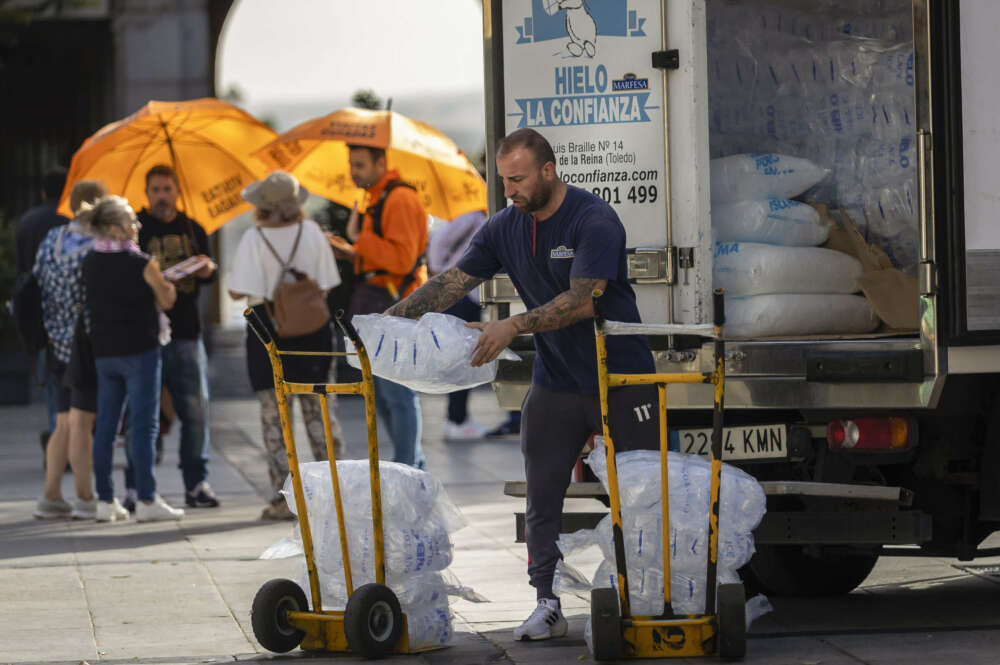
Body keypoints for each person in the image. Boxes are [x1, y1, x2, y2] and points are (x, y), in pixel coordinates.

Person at [385, 128, 659, 641]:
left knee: (642, 497)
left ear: (548, 171)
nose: (508, 190)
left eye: (517, 179)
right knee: (542, 497)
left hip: (620, 378)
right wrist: (383, 324)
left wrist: (511, 324)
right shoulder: (502, 227)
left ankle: (646, 595)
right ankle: (547, 602)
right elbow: (449, 285)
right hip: (556, 382)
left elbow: (582, 301)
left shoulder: (592, 219)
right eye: (503, 180)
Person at [228, 171, 345, 521]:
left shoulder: (254, 237)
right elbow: (326, 285)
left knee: (274, 419)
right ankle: (332, 493)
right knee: (321, 414)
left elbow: (237, 291)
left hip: (265, 330)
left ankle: (283, 498)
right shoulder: (311, 233)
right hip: (312, 331)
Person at [82, 195, 184, 522]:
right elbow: (166, 300)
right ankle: (147, 499)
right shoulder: (142, 263)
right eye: (130, 221)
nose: (137, 225)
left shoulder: (90, 261)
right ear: (113, 228)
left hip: (105, 353)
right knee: (143, 427)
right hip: (141, 352)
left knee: (106, 429)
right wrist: (170, 283)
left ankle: (105, 501)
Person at [327, 145, 428, 469]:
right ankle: (413, 464)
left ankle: (407, 467)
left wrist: (358, 238)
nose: (354, 172)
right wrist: (352, 252)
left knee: (397, 394)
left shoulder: (399, 199)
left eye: (360, 165)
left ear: (381, 163)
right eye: (351, 165)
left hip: (396, 305)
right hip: (381, 304)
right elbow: (383, 255)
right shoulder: (378, 198)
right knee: (385, 395)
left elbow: (402, 258)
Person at [137, 164, 220, 509]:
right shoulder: (137, 231)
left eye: (166, 189)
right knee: (143, 412)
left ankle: (196, 482)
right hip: (147, 334)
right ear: (147, 193)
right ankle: (140, 486)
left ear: (176, 191)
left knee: (195, 411)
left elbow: (210, 274)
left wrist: (207, 269)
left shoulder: (193, 228)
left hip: (187, 332)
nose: (161, 196)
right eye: (155, 190)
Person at [31, 180, 107, 519]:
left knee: (61, 422)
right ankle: (85, 498)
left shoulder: (52, 239)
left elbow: (36, 281)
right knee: (81, 423)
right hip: (84, 344)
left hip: (54, 341)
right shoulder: (96, 246)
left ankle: (50, 496)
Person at [16, 167, 69, 453]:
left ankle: (56, 433)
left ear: (43, 191)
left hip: (37, 311)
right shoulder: (71, 221)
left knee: (50, 377)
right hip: (68, 311)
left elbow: (22, 270)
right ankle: (64, 439)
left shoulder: (28, 222)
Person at [426, 209, 491, 441]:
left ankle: (459, 417)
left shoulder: (480, 217)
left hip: (468, 295)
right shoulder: (472, 215)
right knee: (461, 359)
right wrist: (437, 272)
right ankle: (456, 420)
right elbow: (439, 242)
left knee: (465, 357)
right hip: (459, 294)